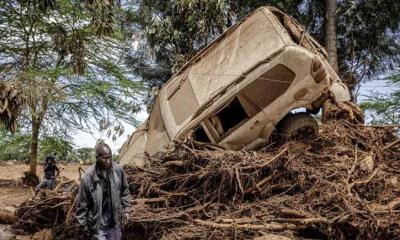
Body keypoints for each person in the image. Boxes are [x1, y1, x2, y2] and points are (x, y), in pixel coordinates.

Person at [76, 142, 130, 240]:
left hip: (115, 224)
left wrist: (126, 210)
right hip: (98, 227)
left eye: (110, 157)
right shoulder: (88, 177)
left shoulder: (118, 170)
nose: (108, 161)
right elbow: (82, 204)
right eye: (105, 158)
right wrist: (84, 226)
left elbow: (124, 190)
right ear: (97, 157)